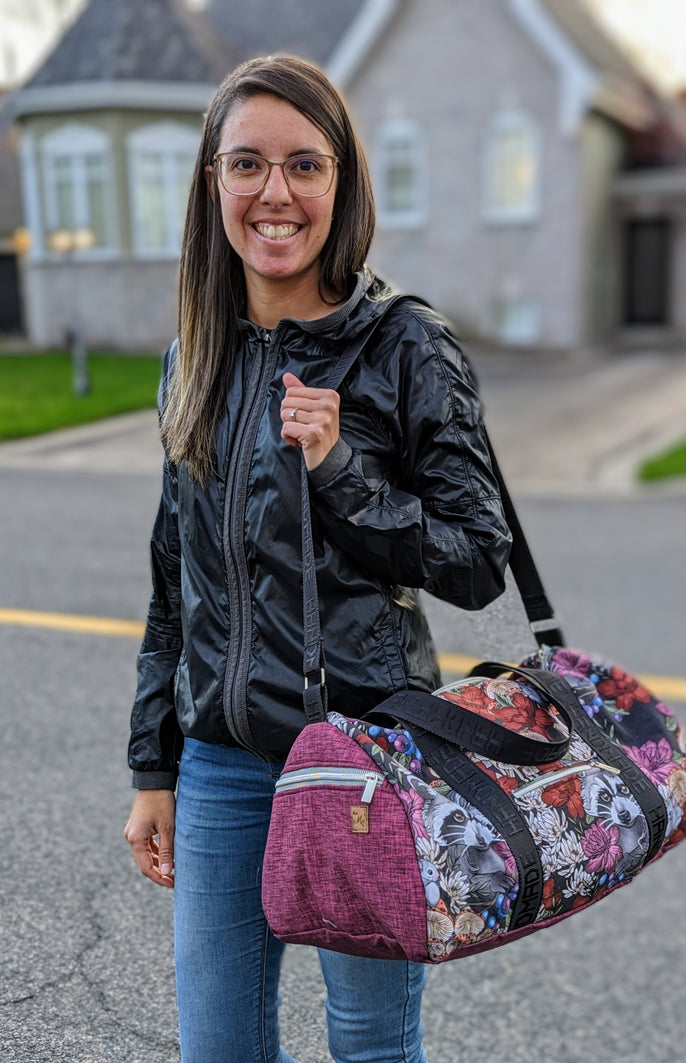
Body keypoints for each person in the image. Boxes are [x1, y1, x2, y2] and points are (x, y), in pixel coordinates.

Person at [123, 54, 512, 1063]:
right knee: (219, 1047)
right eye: (246, 164)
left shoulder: (404, 347)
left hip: (364, 755)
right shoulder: (193, 357)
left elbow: (478, 561)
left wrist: (341, 471)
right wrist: (154, 764)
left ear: (341, 183)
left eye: (305, 165)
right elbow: (173, 580)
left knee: (371, 1045)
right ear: (213, 181)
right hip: (220, 760)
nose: (275, 193)